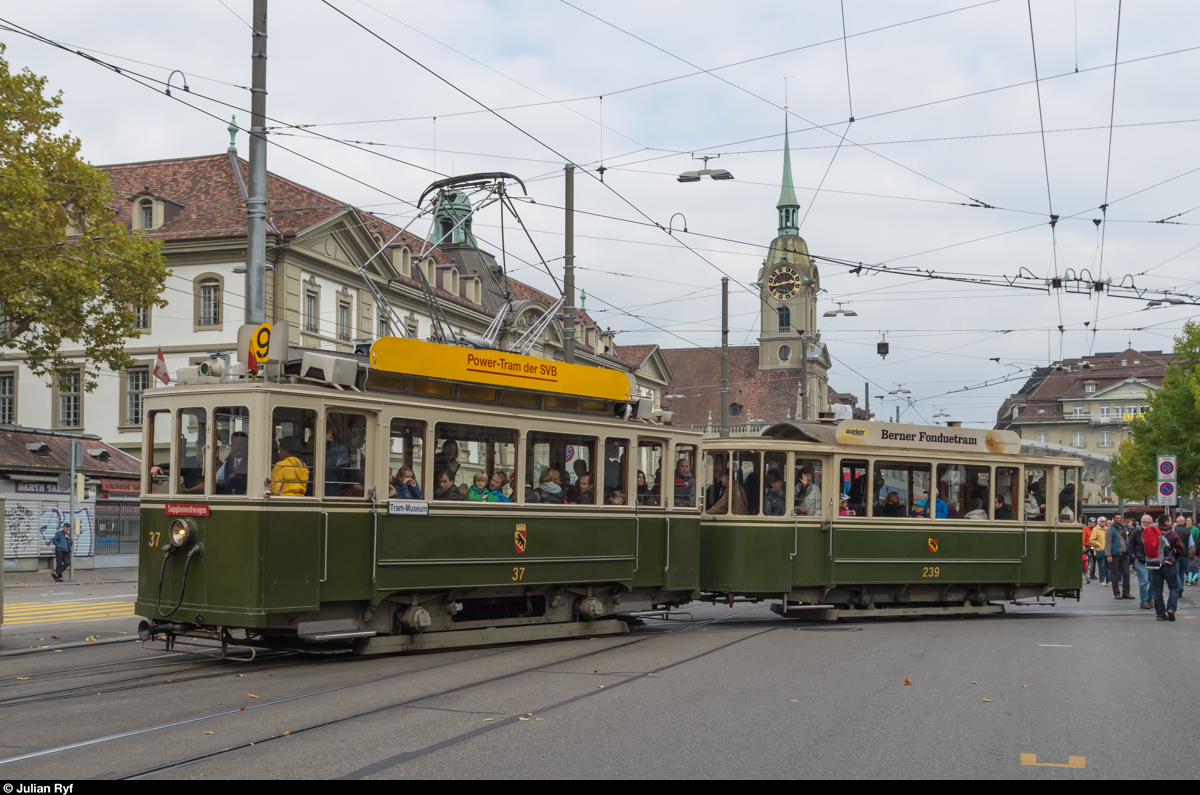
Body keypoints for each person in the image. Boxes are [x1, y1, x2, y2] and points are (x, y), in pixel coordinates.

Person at [1146, 514, 1186, 621]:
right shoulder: (1172, 534)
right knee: (1173, 588)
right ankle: (1171, 609)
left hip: (1155, 564)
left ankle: (1160, 614)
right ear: (1167, 522)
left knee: (1157, 590)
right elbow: (1180, 548)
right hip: (1169, 565)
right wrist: (1173, 558)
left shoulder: (1153, 533)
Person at [1106, 515, 1133, 600]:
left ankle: (1126, 592)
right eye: (1117, 518)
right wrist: (1108, 554)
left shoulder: (1123, 528)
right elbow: (1108, 542)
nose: (1118, 519)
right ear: (1113, 519)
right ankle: (1117, 593)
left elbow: (1127, 539)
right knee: (1115, 574)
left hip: (1125, 553)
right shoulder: (1110, 529)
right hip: (1115, 554)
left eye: (1120, 518)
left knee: (1126, 574)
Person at [1129, 516, 1152, 608]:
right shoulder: (1136, 532)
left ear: (1151, 522)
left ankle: (1150, 599)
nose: (1145, 523)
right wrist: (1134, 557)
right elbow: (1130, 545)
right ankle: (1144, 602)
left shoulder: (1153, 531)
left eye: (1147, 522)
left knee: (1153, 582)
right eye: (1144, 521)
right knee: (1144, 582)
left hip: (1152, 560)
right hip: (1140, 560)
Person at [324, 428, 351, 497]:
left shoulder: (340, 450)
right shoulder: (327, 447)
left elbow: (327, 466)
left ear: (330, 434)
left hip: (332, 485)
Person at [1090, 519, 1108, 586]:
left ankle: (1108, 580)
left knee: (1108, 566)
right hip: (1100, 549)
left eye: (1104, 521)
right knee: (1101, 566)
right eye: (1102, 521)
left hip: (1107, 549)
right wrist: (1098, 544)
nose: (1104, 522)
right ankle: (1102, 580)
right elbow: (1091, 540)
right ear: (1099, 522)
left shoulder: (1107, 529)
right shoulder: (1095, 529)